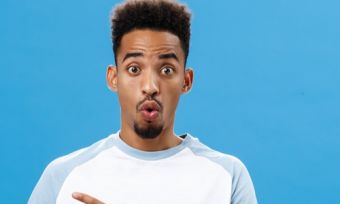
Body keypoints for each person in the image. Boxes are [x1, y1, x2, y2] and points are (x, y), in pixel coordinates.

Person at [29, 0, 258, 203]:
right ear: (114, 78)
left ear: (186, 81)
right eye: (134, 69)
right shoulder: (63, 176)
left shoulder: (227, 176)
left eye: (167, 69)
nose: (150, 86)